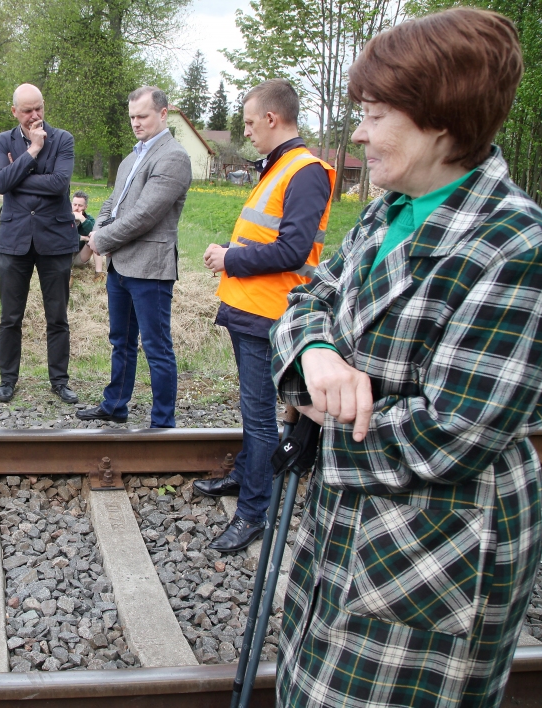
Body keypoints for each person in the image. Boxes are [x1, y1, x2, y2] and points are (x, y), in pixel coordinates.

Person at [269, 10, 542, 707]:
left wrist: (316, 420)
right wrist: (314, 355)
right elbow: (309, 296)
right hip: (351, 515)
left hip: (434, 546)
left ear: (441, 119)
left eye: (375, 114)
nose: (359, 133)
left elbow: (456, 431)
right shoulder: (393, 205)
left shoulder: (518, 244)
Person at [193, 79, 335, 552]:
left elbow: (293, 250)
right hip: (249, 308)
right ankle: (245, 478)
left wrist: (231, 258)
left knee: (258, 416)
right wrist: (235, 253)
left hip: (269, 312)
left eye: (252, 123)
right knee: (252, 408)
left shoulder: (305, 171)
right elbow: (268, 239)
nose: (248, 132)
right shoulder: (280, 167)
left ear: (273, 119)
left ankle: (254, 513)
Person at [76, 87, 192, 429]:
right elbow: (114, 203)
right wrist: (101, 232)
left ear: (162, 113)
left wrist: (102, 239)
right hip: (121, 265)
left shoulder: (174, 156)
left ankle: (163, 421)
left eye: (142, 116)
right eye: (132, 117)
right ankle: (115, 405)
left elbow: (145, 214)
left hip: (151, 268)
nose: (136, 123)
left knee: (156, 347)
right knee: (121, 341)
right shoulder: (132, 157)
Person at [0, 83, 79, 405]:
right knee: (10, 317)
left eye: (38, 108)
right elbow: (0, 183)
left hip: (55, 240)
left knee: (57, 317)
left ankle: (59, 380)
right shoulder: (3, 141)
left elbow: (59, 185)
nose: (34, 116)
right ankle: (7, 380)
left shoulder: (64, 139)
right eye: (27, 110)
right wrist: (32, 152)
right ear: (14, 111)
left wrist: (18, 177)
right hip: (15, 240)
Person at [69, 190, 102, 280]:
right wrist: (83, 238)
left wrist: (82, 219)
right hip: (64, 256)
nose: (76, 208)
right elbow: (64, 236)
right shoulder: (65, 218)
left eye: (80, 205)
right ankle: (68, 275)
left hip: (80, 256)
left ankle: (99, 274)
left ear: (85, 207)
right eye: (74, 204)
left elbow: (95, 232)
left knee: (96, 238)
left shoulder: (89, 220)